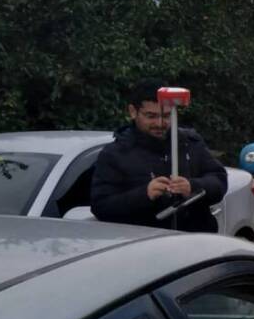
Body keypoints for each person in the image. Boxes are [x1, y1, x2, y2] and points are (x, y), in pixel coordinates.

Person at [90, 79, 227, 232]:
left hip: (196, 243)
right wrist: (144, 194)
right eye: (151, 116)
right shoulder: (115, 154)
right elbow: (101, 207)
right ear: (133, 112)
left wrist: (193, 186)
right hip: (147, 246)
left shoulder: (189, 143)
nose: (160, 123)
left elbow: (219, 181)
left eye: (167, 116)